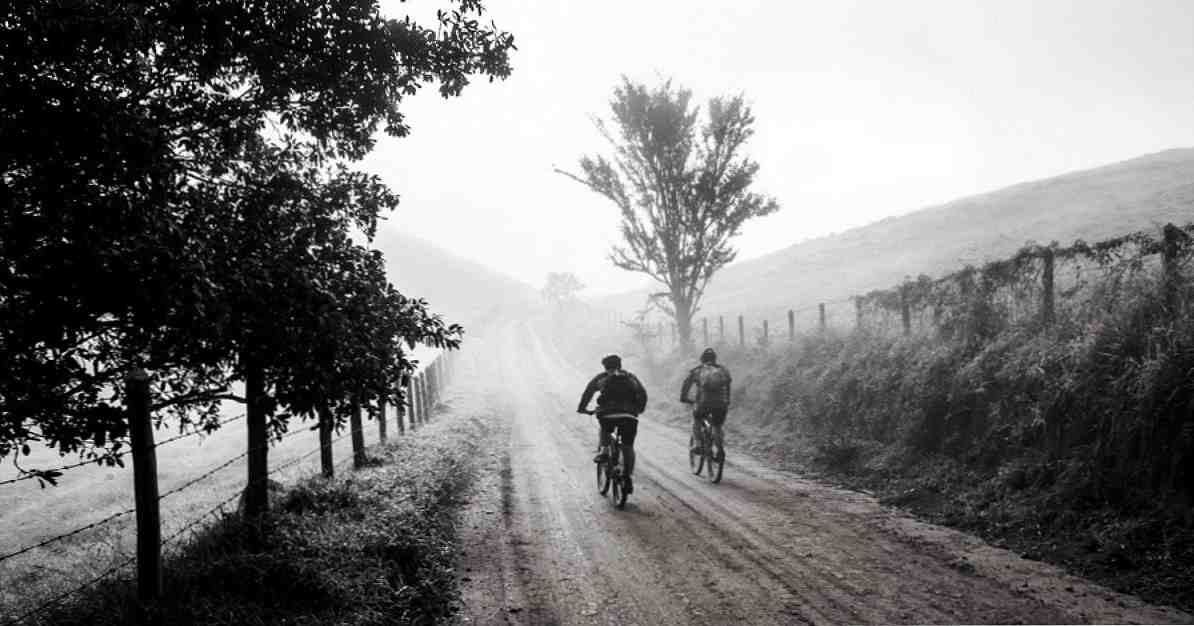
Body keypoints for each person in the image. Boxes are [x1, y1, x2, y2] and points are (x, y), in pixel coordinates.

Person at [577, 354, 648, 493]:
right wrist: (638, 409)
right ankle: (627, 476)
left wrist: (582, 408)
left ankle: (604, 451)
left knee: (605, 428)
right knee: (628, 446)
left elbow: (588, 392)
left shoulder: (601, 377)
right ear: (620, 365)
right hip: (629, 415)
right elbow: (643, 394)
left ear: (605, 366)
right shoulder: (630, 377)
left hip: (607, 413)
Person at [680, 347, 732, 461]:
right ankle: (720, 450)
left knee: (696, 419)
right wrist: (727, 400)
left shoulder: (698, 370)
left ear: (702, 359)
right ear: (715, 359)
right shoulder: (723, 370)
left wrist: (684, 398)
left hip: (703, 404)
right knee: (717, 426)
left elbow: (686, 384)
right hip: (721, 404)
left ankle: (698, 444)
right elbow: (728, 384)